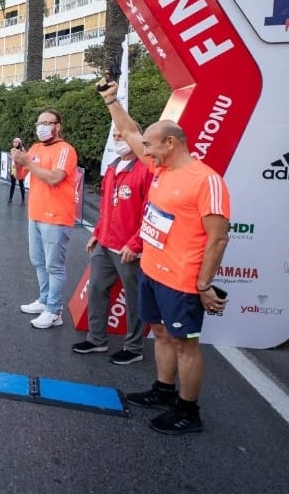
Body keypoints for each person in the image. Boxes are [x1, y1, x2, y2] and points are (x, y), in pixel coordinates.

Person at [99, 78, 231, 435]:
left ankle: (188, 411)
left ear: (171, 143)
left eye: (152, 147)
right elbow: (129, 131)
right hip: (153, 273)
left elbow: (218, 239)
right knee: (158, 332)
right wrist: (111, 100)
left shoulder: (206, 180)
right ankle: (163, 389)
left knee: (185, 346)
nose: (146, 153)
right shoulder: (161, 169)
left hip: (182, 280)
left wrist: (204, 285)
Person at [74, 127, 150, 365]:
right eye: (116, 136)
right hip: (105, 244)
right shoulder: (112, 167)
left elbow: (151, 212)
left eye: (123, 135)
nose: (118, 139)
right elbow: (107, 208)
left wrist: (136, 243)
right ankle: (97, 339)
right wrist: (97, 233)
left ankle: (134, 347)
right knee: (96, 288)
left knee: (134, 298)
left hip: (129, 249)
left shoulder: (145, 170)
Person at [12, 110, 78, 329]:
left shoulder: (65, 150)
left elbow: (54, 178)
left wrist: (27, 163)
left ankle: (54, 311)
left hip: (56, 217)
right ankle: (44, 300)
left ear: (57, 126)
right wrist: (18, 162)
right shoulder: (35, 148)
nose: (42, 127)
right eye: (39, 123)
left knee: (54, 266)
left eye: (46, 123)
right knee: (38, 261)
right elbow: (19, 176)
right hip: (36, 214)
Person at [7, 137, 27, 205]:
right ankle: (10, 199)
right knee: (12, 184)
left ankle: (23, 200)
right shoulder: (12, 149)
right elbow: (11, 158)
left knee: (21, 185)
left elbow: (25, 158)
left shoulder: (22, 149)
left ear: (19, 143)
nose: (14, 143)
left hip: (20, 169)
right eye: (14, 142)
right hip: (13, 168)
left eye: (16, 142)